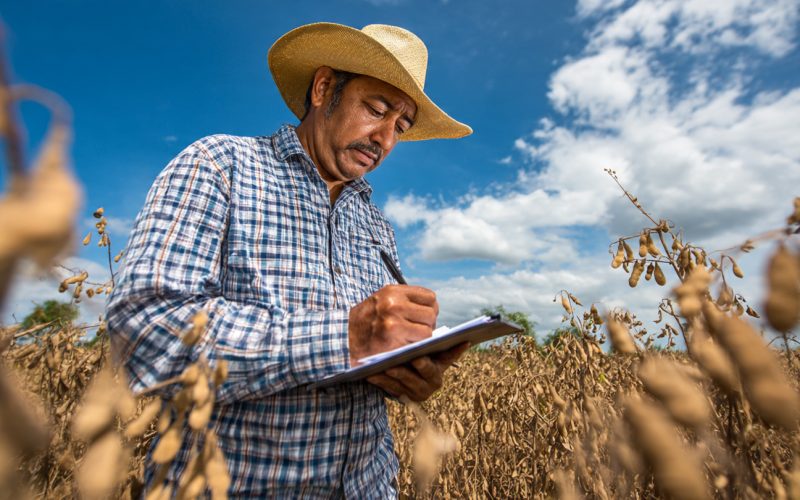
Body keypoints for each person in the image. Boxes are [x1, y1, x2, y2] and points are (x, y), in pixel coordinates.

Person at [106, 22, 472, 498]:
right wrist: (346, 336)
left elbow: (366, 358)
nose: (384, 138)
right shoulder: (221, 165)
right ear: (323, 89)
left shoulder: (376, 226)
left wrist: (406, 373)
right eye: (375, 109)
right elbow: (144, 330)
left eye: (399, 127)